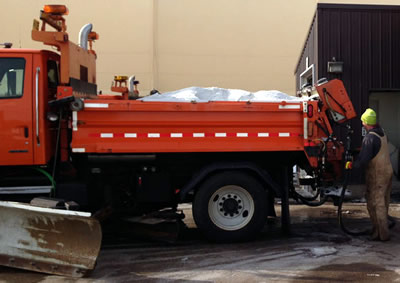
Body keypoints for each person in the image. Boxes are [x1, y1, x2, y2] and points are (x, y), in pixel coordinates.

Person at [348, 108, 393, 241]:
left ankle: (383, 235)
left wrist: (352, 166)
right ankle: (378, 231)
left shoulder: (370, 138)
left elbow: (364, 160)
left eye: (363, 122)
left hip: (377, 174)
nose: (362, 124)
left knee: (376, 203)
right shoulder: (382, 133)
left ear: (367, 123)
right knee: (384, 202)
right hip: (387, 171)